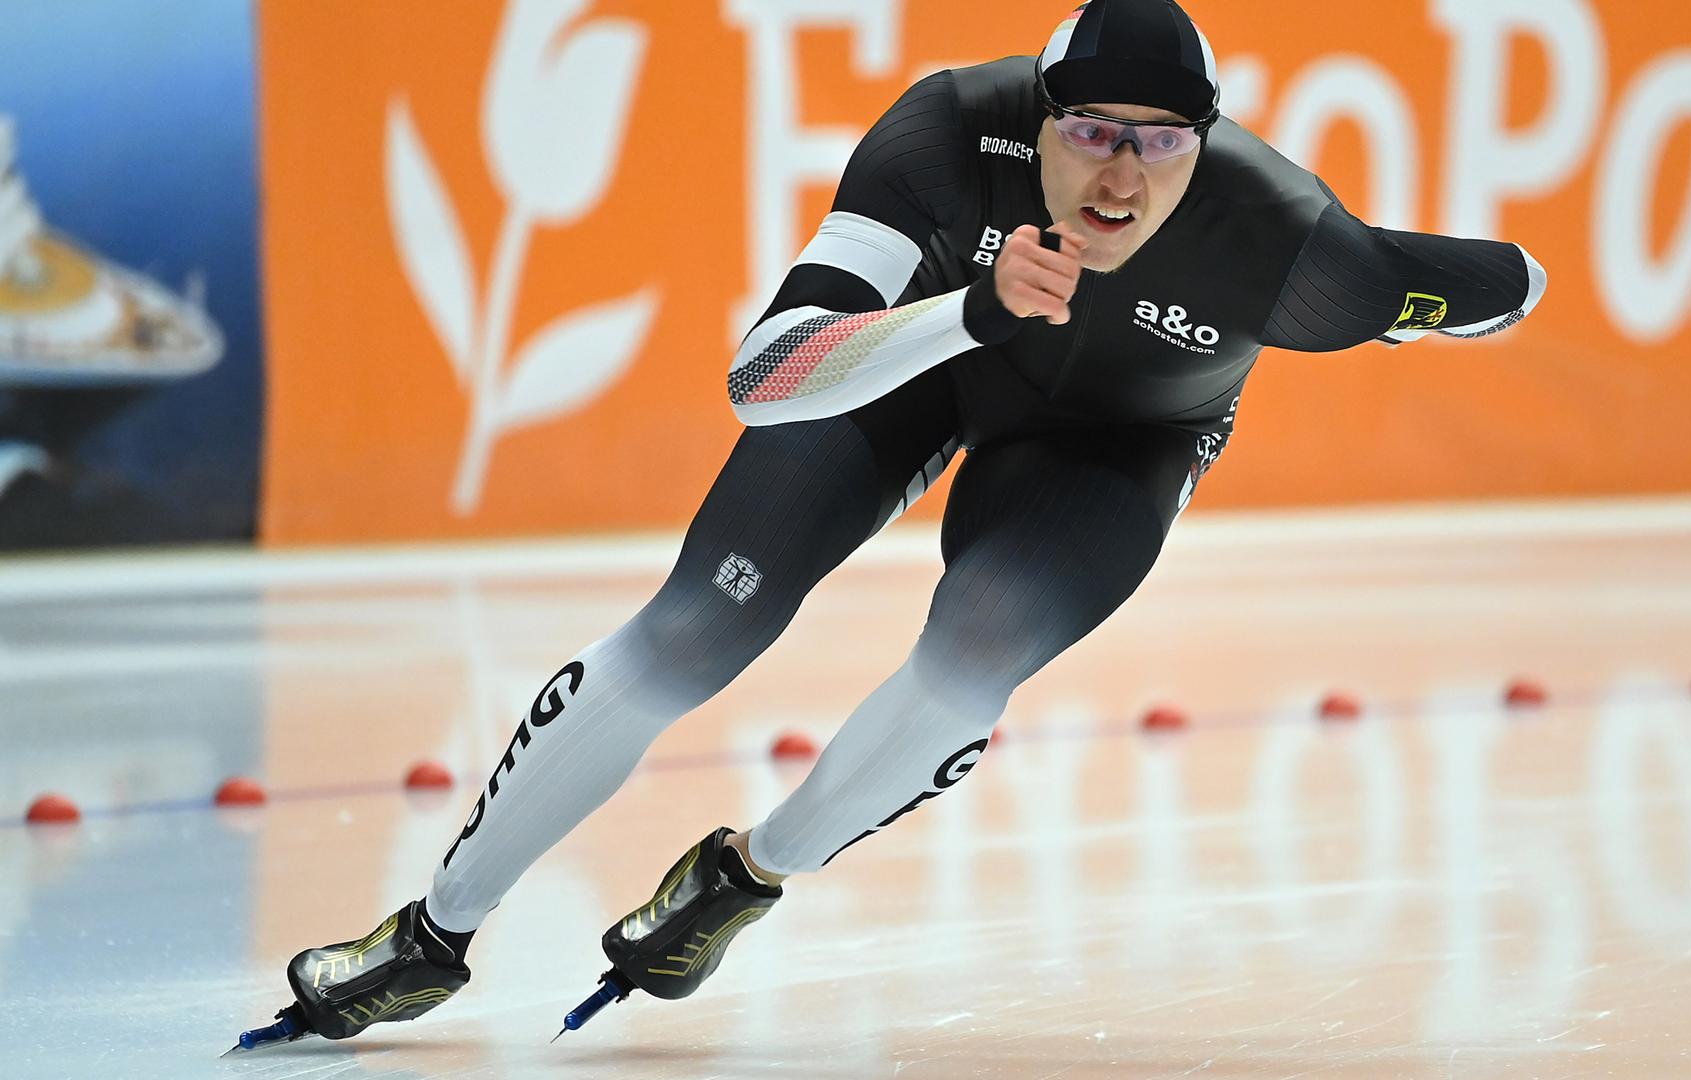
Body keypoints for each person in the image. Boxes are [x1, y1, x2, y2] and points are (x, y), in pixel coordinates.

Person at [235, 0, 1545, 1049]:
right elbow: (766, 370)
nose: (1119, 169)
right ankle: (433, 933)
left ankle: (741, 881)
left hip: (1116, 446)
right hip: (926, 359)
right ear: (1040, 119)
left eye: (1159, 140)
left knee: (976, 647)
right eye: (1090, 129)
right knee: (698, 624)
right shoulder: (946, 131)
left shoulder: (1292, 244)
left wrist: (1504, 281)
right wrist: (974, 310)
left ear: (1207, 146)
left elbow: (1498, 287)